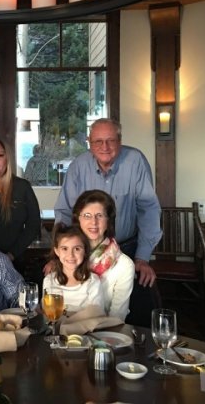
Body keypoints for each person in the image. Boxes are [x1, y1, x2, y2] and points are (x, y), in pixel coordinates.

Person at [54, 118, 162, 287]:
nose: (105, 147)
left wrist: (142, 258)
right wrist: (60, 256)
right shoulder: (78, 166)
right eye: (98, 141)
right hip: (85, 252)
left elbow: (148, 210)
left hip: (127, 250)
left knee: (136, 305)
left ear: (120, 141)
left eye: (111, 141)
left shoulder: (136, 161)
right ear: (89, 142)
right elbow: (65, 212)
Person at [72, 190, 135, 321]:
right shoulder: (68, 256)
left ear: (108, 221)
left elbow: (116, 318)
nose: (93, 222)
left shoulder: (124, 265)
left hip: (102, 333)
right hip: (65, 329)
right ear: (78, 219)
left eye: (99, 215)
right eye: (87, 215)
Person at [43, 224, 105, 314]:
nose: (71, 255)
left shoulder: (92, 281)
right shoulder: (49, 281)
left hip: (84, 327)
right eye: (64, 249)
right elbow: (48, 313)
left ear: (85, 251)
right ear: (57, 251)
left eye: (77, 249)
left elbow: (97, 314)